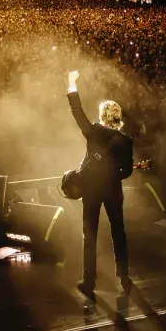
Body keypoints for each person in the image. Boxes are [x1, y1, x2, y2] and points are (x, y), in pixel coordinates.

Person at [66, 70, 133, 299]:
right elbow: (128, 171)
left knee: (90, 235)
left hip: (92, 191)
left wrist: (71, 83)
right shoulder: (126, 141)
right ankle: (124, 276)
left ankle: (89, 281)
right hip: (113, 191)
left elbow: (77, 112)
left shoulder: (94, 132)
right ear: (118, 116)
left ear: (103, 116)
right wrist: (113, 175)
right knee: (119, 232)